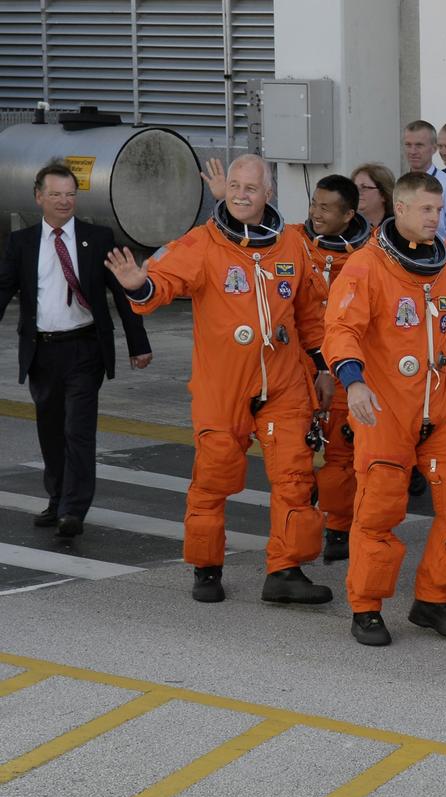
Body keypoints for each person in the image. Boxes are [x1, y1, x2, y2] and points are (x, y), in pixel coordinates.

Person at [105, 154, 333, 606]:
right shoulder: (202, 243)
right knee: (214, 478)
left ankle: (286, 570)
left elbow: (312, 316)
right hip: (222, 386)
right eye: (234, 185)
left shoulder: (292, 245)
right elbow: (162, 284)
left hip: (285, 383)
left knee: (295, 476)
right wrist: (137, 285)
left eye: (252, 187)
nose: (242, 194)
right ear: (224, 190)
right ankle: (207, 567)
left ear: (270, 194)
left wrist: (324, 368)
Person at [323, 172, 446, 646]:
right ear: (401, 209)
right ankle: (367, 608)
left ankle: (434, 600)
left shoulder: (445, 265)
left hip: (444, 406)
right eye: (427, 210)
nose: (436, 218)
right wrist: (353, 384)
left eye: (439, 210)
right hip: (386, 407)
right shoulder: (366, 267)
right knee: (378, 512)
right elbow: (341, 331)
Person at [200, 160, 373, 563]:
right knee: (295, 456)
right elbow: (243, 237)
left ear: (349, 215)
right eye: (314, 204)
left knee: (342, 454)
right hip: (295, 366)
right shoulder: (289, 239)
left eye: (327, 208)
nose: (316, 212)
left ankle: (338, 525)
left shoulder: (372, 253)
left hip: (348, 367)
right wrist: (229, 199)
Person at [0, 162, 152, 537]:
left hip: (85, 348)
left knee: (77, 429)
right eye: (55, 194)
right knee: (50, 429)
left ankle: (73, 509)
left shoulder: (98, 237)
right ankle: (57, 499)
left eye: (70, 194)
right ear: (39, 198)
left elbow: (123, 291)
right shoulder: (21, 243)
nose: (64, 201)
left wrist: (139, 343)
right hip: (42, 350)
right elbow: (3, 290)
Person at [402, 120, 446, 240]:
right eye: (408, 145)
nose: (412, 151)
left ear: (434, 148)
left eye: (419, 145)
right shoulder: (400, 186)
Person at [351, 163, 395, 229]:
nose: (357, 192)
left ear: (383, 194)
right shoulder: (345, 226)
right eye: (354, 187)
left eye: (364, 187)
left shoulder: (398, 227)